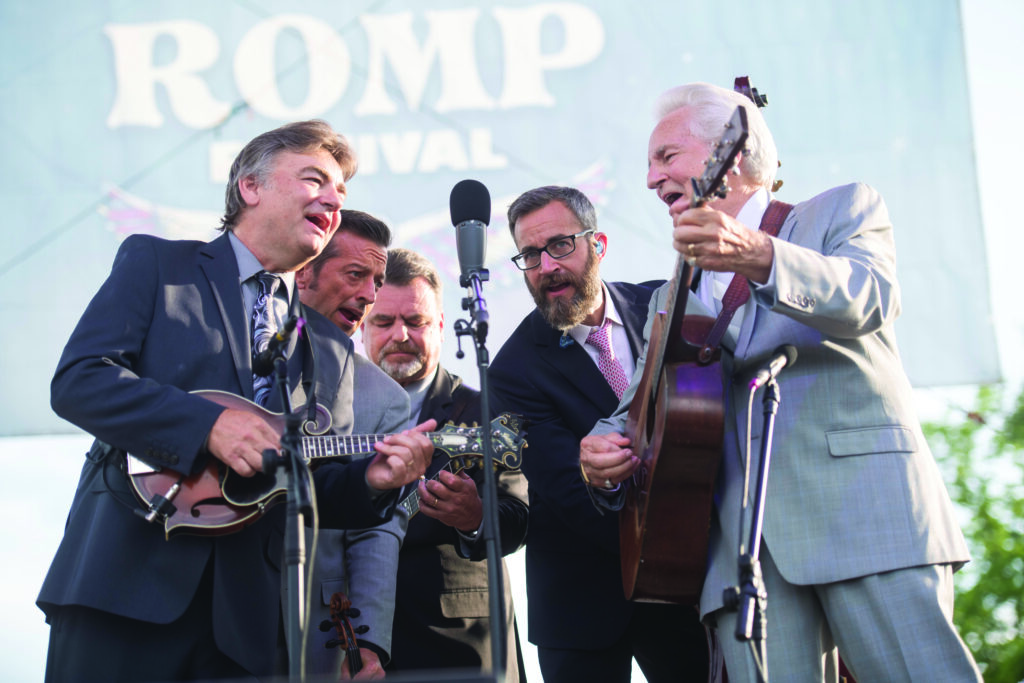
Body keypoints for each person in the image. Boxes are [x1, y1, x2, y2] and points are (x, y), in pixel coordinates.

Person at [580, 82, 982, 682]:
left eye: (666, 156)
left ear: (730, 156)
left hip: (863, 516)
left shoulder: (842, 209)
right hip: (738, 561)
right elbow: (637, 405)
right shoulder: (670, 293)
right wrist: (601, 449)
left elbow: (869, 296)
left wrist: (757, 253)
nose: (649, 179)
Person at [36, 120, 435, 682]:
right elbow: (80, 380)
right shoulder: (159, 266)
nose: (332, 200)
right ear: (251, 187)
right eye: (315, 179)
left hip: (247, 629)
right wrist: (207, 426)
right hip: (124, 589)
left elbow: (312, 486)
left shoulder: (331, 352)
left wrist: (374, 482)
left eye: (341, 193)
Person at [488, 186, 714, 683]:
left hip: (685, 595)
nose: (546, 266)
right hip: (580, 609)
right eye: (529, 254)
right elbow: (569, 490)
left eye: (560, 245)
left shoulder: (666, 306)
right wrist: (683, 538)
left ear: (600, 244)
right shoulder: (512, 370)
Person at [361, 247, 530, 681]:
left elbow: (519, 517)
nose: (400, 335)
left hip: (460, 647)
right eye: (383, 321)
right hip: (348, 639)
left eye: (415, 322)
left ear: (439, 326)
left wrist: (473, 517)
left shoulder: (486, 410)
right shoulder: (332, 411)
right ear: (362, 327)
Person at [295, 208, 411, 678]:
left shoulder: (384, 398)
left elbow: (376, 533)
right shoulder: (229, 346)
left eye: (376, 282)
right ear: (305, 271)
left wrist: (366, 643)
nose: (369, 295)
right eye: (356, 274)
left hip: (312, 627)